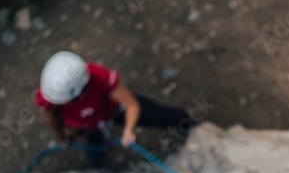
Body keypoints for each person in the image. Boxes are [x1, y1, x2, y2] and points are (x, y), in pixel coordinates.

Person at [34, 51, 192, 166]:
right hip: (86, 127)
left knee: (162, 116)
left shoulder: (100, 77)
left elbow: (131, 104)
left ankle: (188, 124)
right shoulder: (51, 94)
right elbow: (51, 116)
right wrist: (61, 136)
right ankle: (97, 160)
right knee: (95, 153)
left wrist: (128, 129)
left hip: (114, 111)